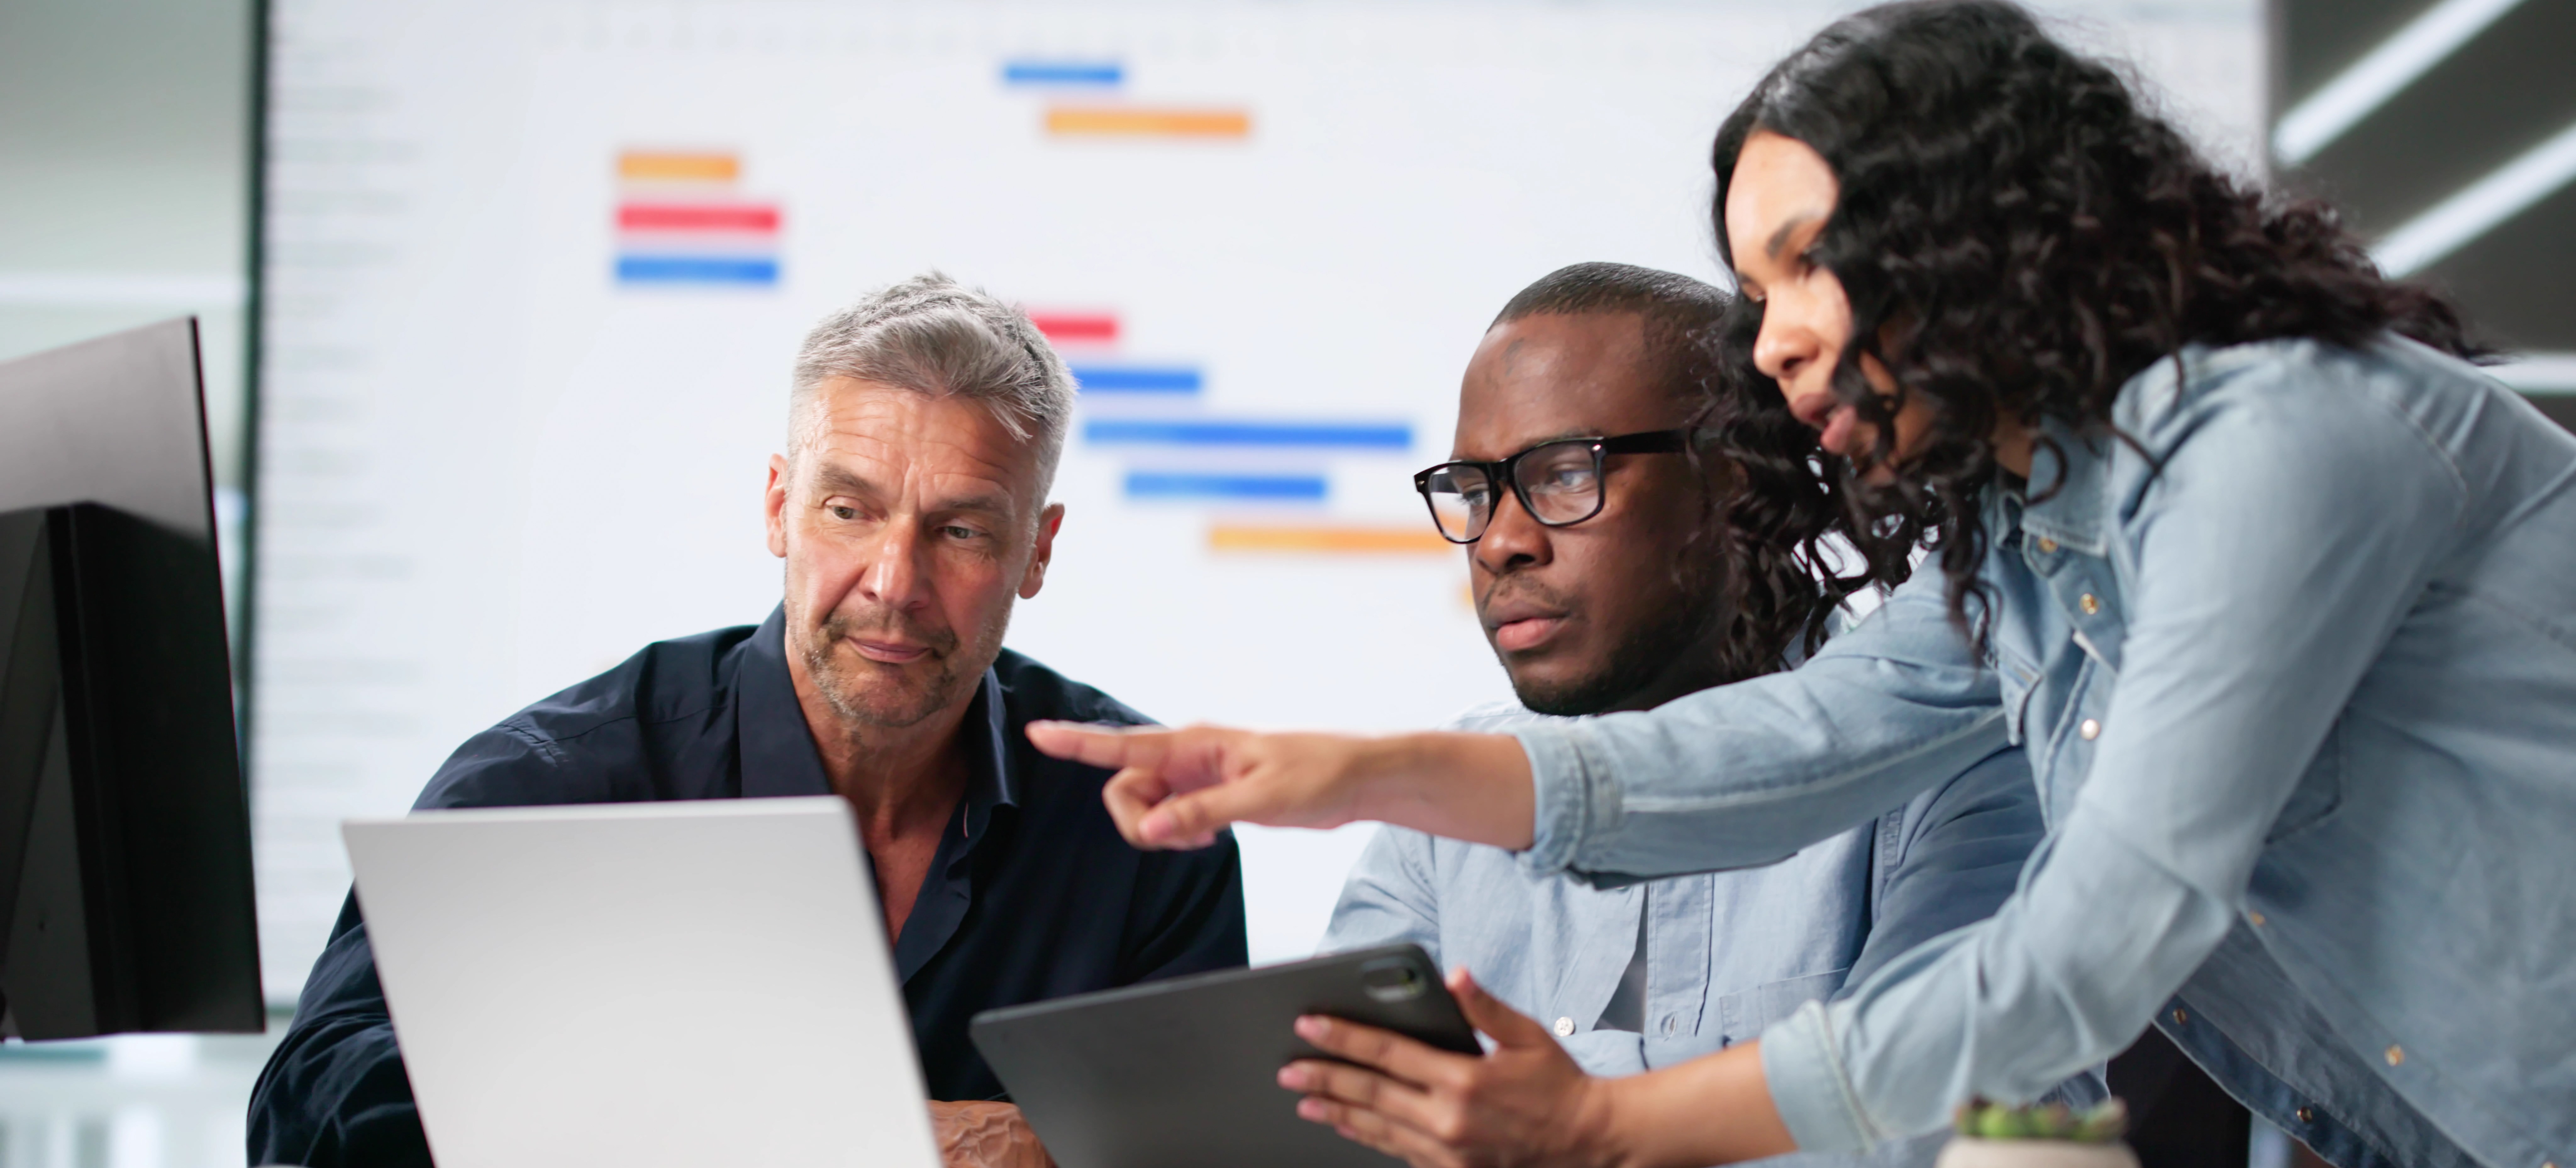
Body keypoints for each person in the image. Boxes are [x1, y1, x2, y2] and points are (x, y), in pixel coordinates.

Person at [1027, 4, 2576, 1167]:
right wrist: (1349, 771)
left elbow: (2086, 946)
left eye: (1798, 269)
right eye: (1754, 290)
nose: (1766, 344)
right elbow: (1792, 735)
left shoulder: (2274, 440)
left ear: (1977, 229)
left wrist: (1607, 1124)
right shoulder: (2033, 533)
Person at [250, 273, 1247, 1168]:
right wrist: (800, 1130)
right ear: (780, 507)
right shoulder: (552, 783)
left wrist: (1054, 1142)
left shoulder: (1147, 824)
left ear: (1037, 552)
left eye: (961, 531)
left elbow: (1216, 1144)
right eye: (848, 511)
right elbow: (308, 1113)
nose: (895, 584)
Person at [1320, 261, 2081, 1167]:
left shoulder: (1956, 762)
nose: (1500, 542)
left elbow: (1948, 1127)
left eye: (1564, 474)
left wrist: (1571, 1116)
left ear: (1733, 477)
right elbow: (1330, 1127)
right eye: (1475, 491)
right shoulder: (1444, 814)